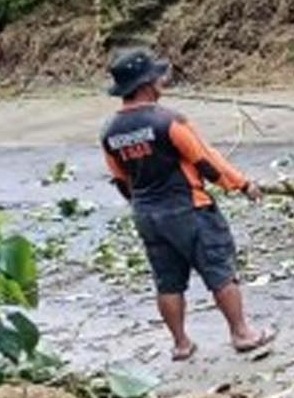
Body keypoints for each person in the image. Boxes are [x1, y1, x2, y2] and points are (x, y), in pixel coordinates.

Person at [99, 50, 273, 361]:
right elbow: (205, 160)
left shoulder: (110, 131)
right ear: (146, 85)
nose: (162, 81)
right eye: (157, 77)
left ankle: (181, 344)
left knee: (167, 281)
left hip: (147, 215)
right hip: (189, 209)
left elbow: (122, 180)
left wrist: (143, 207)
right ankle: (242, 334)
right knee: (220, 271)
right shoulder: (168, 121)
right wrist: (243, 185)